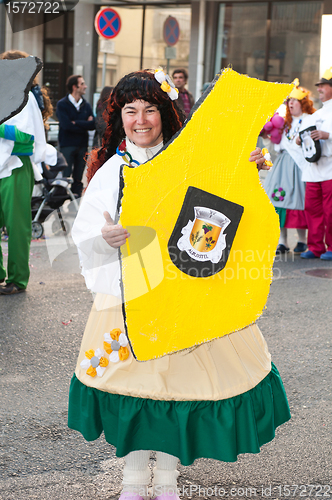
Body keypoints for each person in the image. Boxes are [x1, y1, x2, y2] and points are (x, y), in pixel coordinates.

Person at [68, 70, 290, 500]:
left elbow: (223, 203)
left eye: (150, 109)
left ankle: (166, 481)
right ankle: (133, 482)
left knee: (177, 389)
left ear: (165, 113)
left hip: (185, 295)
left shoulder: (191, 159)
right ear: (120, 117)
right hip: (128, 296)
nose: (141, 119)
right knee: (135, 386)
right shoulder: (111, 169)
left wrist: (244, 170)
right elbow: (84, 235)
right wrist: (104, 239)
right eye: (131, 110)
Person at [0, 50, 48, 295]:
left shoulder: (24, 98)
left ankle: (17, 280)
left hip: (16, 167)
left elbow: (25, 138)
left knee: (17, 226)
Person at [264, 81, 315, 254]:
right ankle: (282, 241)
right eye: (289, 100)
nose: (290, 103)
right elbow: (275, 147)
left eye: (295, 100)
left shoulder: (309, 120)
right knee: (278, 201)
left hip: (300, 166)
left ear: (303, 103)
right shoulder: (284, 123)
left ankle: (302, 240)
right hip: (282, 165)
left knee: (299, 201)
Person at [296, 67, 332, 260]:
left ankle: (331, 247)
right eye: (318, 86)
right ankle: (315, 246)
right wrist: (300, 140)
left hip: (330, 169)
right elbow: (299, 137)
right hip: (313, 169)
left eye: (323, 85)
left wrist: (329, 135)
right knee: (313, 210)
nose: (319, 89)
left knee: (330, 211)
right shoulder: (315, 114)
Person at [56, 74, 95, 197]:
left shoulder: (86, 105)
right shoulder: (62, 104)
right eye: (82, 83)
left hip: (82, 145)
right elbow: (66, 125)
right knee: (65, 175)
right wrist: (85, 123)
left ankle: (75, 203)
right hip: (67, 145)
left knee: (79, 177)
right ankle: (60, 203)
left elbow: (93, 124)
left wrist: (76, 122)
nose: (85, 86)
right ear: (75, 87)